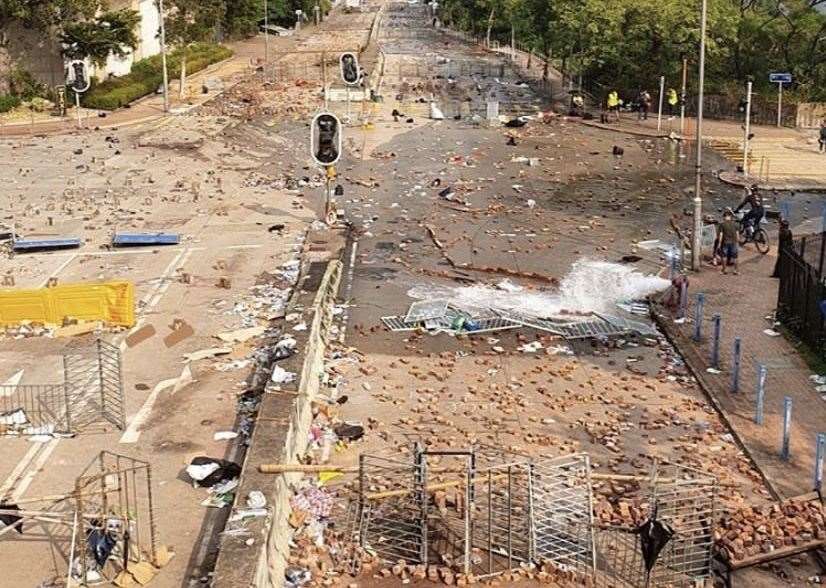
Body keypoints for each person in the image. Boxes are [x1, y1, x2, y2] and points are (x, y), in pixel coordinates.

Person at [718, 208, 739, 275]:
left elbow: (721, 235)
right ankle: (735, 270)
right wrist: (737, 242)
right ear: (730, 217)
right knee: (735, 257)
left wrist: (719, 243)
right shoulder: (735, 224)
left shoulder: (722, 224)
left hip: (725, 242)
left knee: (724, 256)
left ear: (725, 217)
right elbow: (737, 235)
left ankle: (724, 270)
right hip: (734, 242)